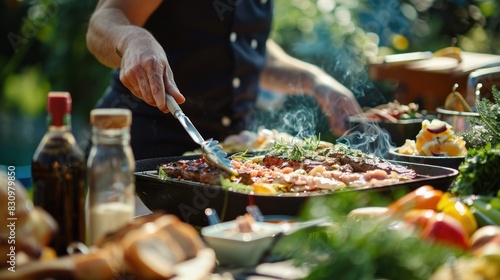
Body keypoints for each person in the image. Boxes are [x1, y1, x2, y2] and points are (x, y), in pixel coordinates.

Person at [86, 0, 363, 160]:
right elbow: (103, 21)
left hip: (231, 157)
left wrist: (315, 80)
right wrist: (133, 39)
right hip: (142, 156)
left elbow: (246, 51)